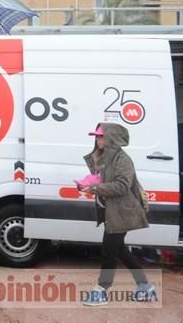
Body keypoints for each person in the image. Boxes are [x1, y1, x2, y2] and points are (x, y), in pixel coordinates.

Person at [81, 122, 156, 306]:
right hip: (111, 211)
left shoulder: (123, 159)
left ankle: (102, 291)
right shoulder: (105, 158)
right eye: (96, 136)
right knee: (119, 249)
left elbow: (122, 186)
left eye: (100, 136)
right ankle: (145, 287)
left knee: (109, 251)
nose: (97, 139)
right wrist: (87, 184)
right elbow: (100, 179)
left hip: (122, 212)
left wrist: (95, 188)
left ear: (111, 138)